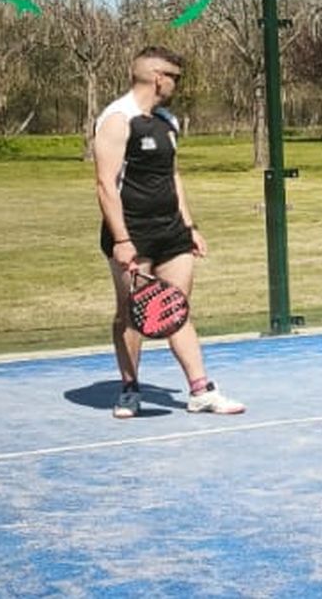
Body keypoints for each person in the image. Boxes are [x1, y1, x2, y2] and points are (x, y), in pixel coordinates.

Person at [93, 46, 244, 419]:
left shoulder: (167, 121)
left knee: (176, 308)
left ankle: (200, 390)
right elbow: (104, 185)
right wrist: (122, 241)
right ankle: (129, 390)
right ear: (159, 77)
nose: (177, 84)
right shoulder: (117, 120)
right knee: (130, 314)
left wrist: (190, 226)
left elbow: (172, 175)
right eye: (174, 77)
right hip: (133, 234)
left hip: (172, 234)